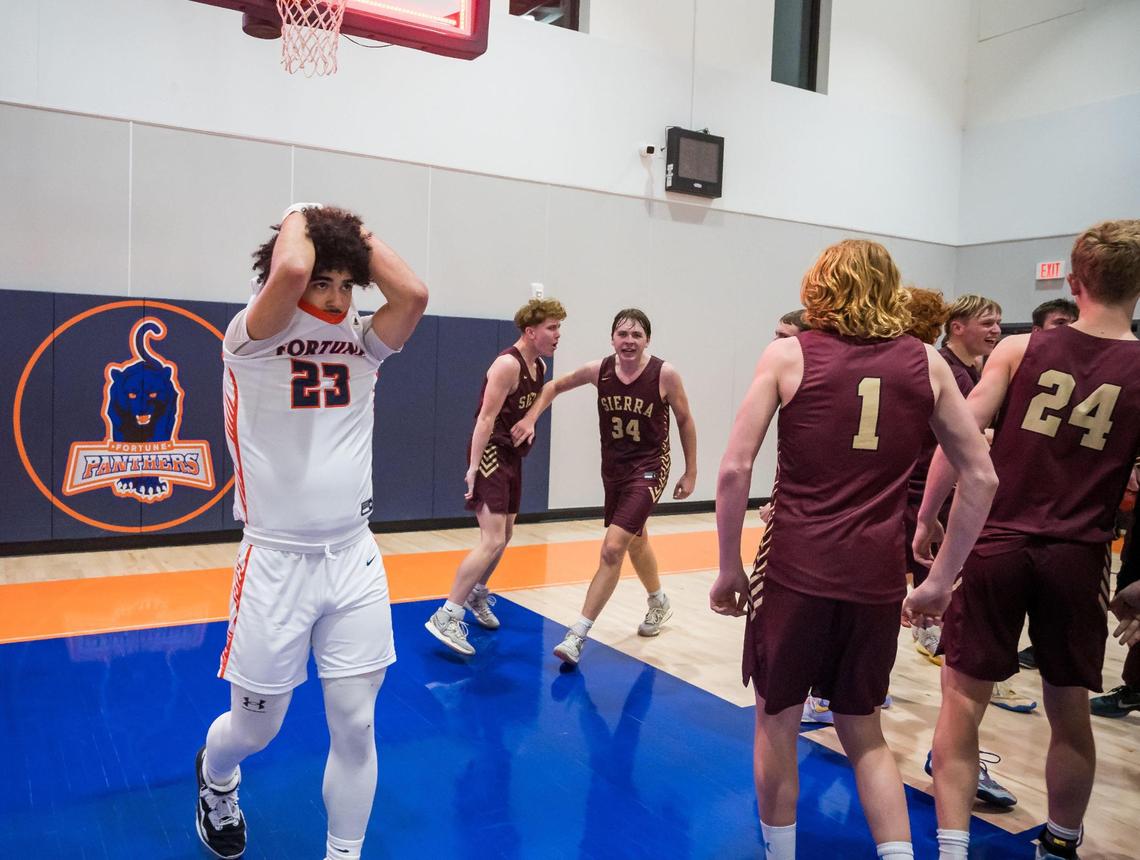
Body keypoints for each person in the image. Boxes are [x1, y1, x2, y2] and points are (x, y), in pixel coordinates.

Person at [711, 240, 998, 860]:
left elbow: (735, 469)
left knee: (777, 719)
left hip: (793, 569)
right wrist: (942, 580)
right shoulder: (927, 362)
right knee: (863, 729)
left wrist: (729, 565)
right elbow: (981, 476)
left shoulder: (788, 355)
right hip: (874, 574)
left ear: (820, 286)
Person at [196, 203, 428, 860]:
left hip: (353, 558)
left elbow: (413, 292)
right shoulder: (251, 336)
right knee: (253, 730)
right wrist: (306, 212)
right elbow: (293, 262)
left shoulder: (365, 342)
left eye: (344, 284)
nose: (330, 296)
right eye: (320, 282)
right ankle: (216, 777)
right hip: (275, 562)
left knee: (356, 726)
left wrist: (353, 235)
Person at [916, 219, 1140, 860]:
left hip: (999, 543)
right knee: (1068, 709)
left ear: (1074, 283)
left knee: (960, 700)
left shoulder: (1018, 350)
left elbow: (957, 443)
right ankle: (1062, 844)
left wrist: (928, 516)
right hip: (1081, 552)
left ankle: (952, 847)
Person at [512, 308, 698, 666]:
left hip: (649, 469)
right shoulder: (599, 370)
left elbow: (686, 420)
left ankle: (577, 634)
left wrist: (690, 472)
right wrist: (531, 417)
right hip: (613, 470)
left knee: (613, 548)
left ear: (648, 340)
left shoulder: (665, 374)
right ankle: (659, 601)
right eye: (622, 334)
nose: (629, 341)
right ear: (612, 338)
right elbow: (553, 385)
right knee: (636, 540)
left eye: (636, 335)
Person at [425, 298, 566, 656]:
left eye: (559, 328)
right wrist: (472, 469)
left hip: (511, 457)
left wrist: (531, 419)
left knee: (506, 535)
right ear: (530, 331)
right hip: (490, 455)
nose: (558, 334)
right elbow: (485, 419)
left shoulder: (539, 367)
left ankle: (476, 592)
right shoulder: (507, 364)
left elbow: (545, 394)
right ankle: (446, 614)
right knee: (490, 539)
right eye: (552, 328)